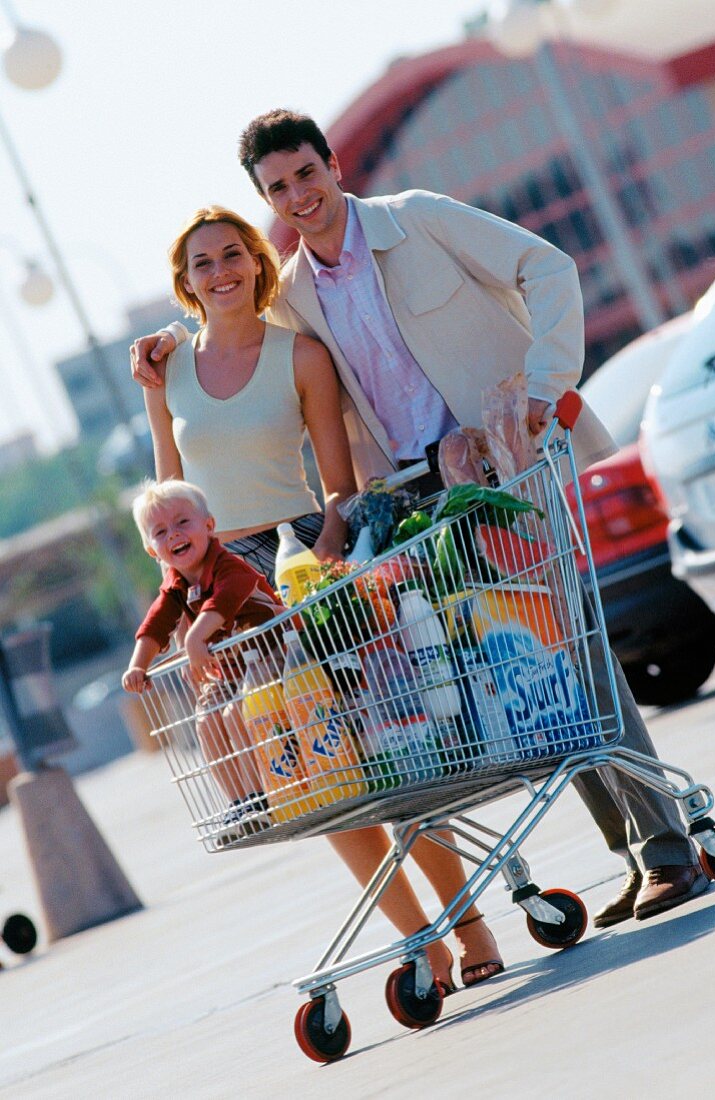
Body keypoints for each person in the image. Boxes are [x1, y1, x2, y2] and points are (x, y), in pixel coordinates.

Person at [131, 110, 709, 929]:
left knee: (570, 641)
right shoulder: (293, 294)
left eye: (306, 173)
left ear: (332, 164)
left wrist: (544, 388)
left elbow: (545, 269)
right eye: (278, 188)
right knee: (524, 665)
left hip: (509, 464)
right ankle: (631, 855)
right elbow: (234, 335)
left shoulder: (418, 219)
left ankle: (665, 852)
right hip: (414, 502)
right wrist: (167, 338)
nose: (299, 196)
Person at [131, 203, 503, 991]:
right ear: (184, 282)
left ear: (257, 264)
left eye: (233, 254)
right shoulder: (164, 372)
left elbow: (338, 486)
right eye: (203, 262)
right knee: (313, 776)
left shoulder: (299, 355)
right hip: (219, 582)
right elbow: (167, 496)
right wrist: (178, 603)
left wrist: (326, 558)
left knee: (379, 757)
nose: (221, 270)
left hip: (298, 565)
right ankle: (420, 944)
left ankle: (467, 926)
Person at [123, 478, 283, 825]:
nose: (174, 535)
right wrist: (138, 664)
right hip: (231, 669)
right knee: (207, 721)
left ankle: (263, 797)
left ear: (209, 527)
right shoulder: (175, 585)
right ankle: (242, 801)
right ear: (153, 551)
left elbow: (222, 601)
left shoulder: (230, 566)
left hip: (276, 653)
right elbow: (155, 624)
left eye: (183, 522)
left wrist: (195, 638)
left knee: (235, 713)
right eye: (160, 532)